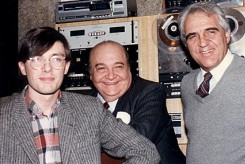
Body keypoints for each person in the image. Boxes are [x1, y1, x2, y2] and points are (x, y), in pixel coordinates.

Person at [0, 26, 160, 164]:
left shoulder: (90, 110)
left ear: (66, 66)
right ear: (22, 67)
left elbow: (144, 150)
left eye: (56, 59)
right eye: (37, 59)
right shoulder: (3, 119)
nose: (47, 68)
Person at [178, 2, 245, 164]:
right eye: (192, 36)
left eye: (210, 32)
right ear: (186, 44)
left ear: (226, 34)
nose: (202, 42)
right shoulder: (187, 83)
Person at [88, 40, 186, 164]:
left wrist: (87, 141)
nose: (111, 76)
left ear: (129, 69)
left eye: (118, 66)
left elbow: (136, 143)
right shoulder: (82, 104)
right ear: (91, 75)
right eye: (101, 68)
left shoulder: (150, 93)